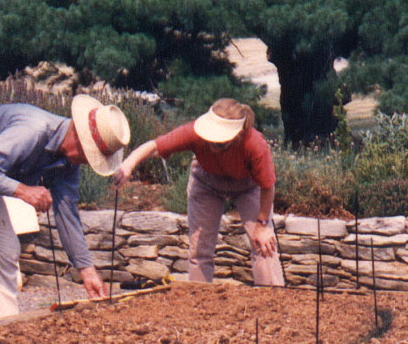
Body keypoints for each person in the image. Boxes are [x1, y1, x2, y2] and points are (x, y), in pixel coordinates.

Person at [0, 95, 131, 331]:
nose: (86, 162)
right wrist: (23, 191)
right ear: (79, 136)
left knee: (6, 249)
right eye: (89, 154)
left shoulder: (68, 162)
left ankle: (5, 333)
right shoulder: (33, 130)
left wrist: (86, 269)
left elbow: (67, 213)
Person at [112, 98, 284, 286]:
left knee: (264, 243)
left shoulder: (254, 143)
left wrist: (262, 224)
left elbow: (267, 185)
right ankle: (199, 302)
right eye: (209, 139)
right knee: (199, 249)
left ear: (237, 137)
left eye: (219, 144)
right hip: (206, 183)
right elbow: (156, 146)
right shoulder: (194, 132)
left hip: (248, 186)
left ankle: (272, 300)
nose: (211, 146)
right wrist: (129, 164)